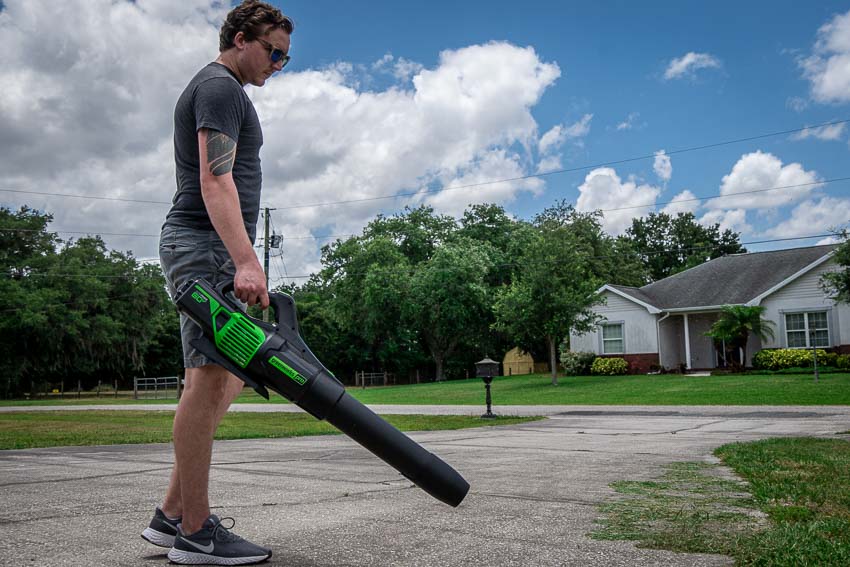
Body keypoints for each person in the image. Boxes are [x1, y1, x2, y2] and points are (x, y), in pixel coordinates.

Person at [141, 1, 293, 564]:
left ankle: (170, 516)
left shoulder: (226, 90)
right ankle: (198, 534)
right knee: (208, 381)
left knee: (221, 376)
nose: (278, 63)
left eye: (285, 57)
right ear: (238, 38)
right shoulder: (221, 87)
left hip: (206, 248)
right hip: (205, 246)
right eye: (272, 51)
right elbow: (215, 179)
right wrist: (247, 261)